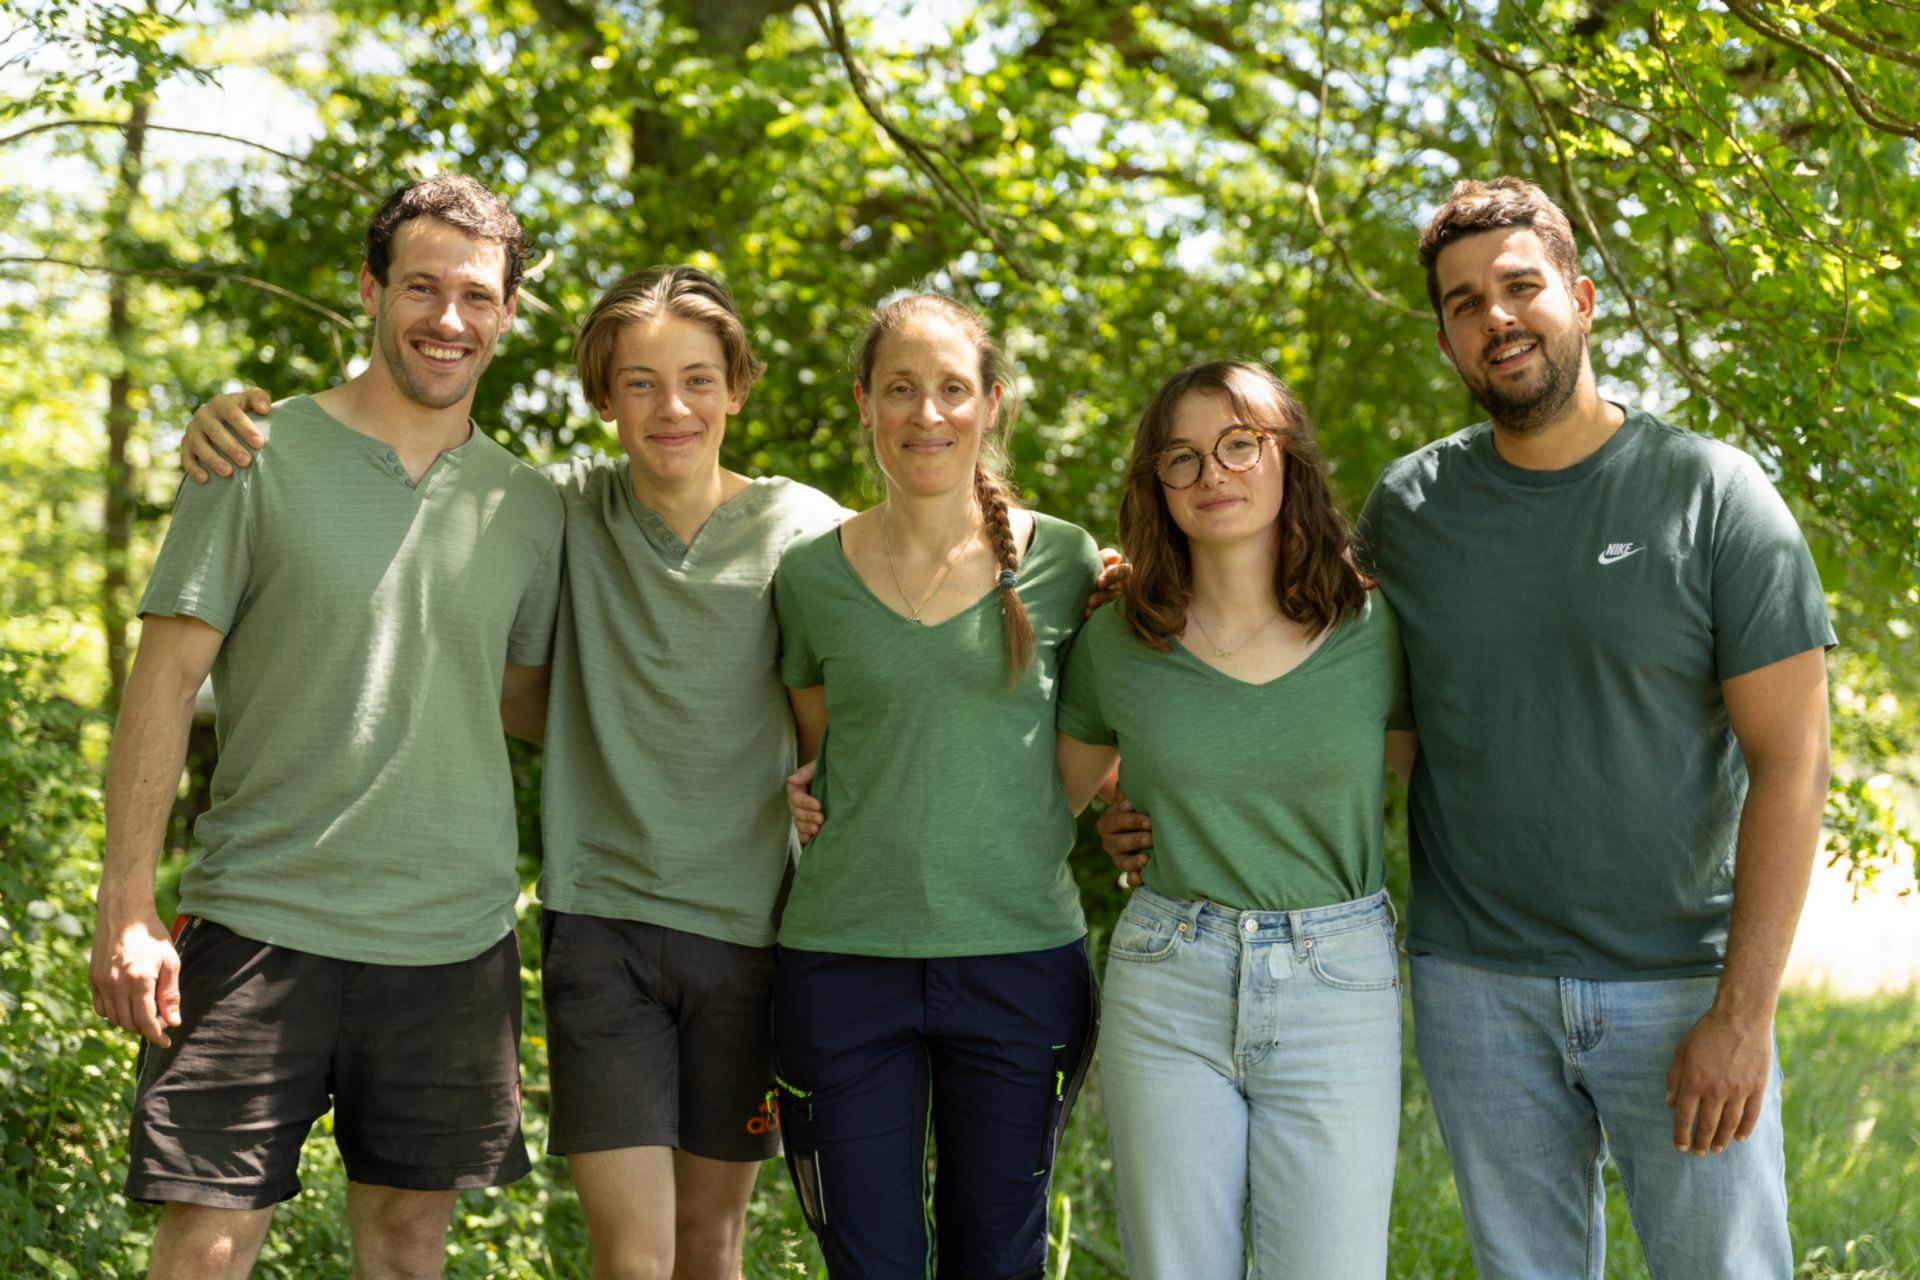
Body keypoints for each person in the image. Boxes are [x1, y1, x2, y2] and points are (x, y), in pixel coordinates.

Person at [1104, 177, 1834, 1279]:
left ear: (1582, 298)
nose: (1495, 317)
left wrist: (1743, 1010)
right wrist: (1139, 631)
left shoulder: (1713, 495)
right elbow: (1298, 677)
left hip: (1678, 984)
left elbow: (1794, 765)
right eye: (1461, 303)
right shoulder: (1413, 508)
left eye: (1520, 287)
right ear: (1445, 337)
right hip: (1476, 986)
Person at [177, 265, 848, 1280]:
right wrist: (222, 415)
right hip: (603, 920)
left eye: (699, 379)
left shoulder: (804, 528)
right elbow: (465, 600)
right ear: (602, 396)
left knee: (713, 1245)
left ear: (738, 386)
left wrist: (1047, 546)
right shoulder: (558, 508)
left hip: (753, 928)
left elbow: (917, 581)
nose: (672, 406)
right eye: (639, 382)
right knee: (635, 1256)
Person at [89, 174, 565, 1280]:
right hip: (261, 914)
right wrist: (127, 906)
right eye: (422, 287)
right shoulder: (255, 452)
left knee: (408, 1243)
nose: (448, 318)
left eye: (477, 295)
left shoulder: (529, 504)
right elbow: (162, 682)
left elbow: (524, 695)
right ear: (370, 289)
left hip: (451, 937)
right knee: (208, 1240)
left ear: (507, 312)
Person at [1053, 360, 1415, 1278]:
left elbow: (1452, 782)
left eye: (1239, 445)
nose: (1213, 473)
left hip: (1338, 980)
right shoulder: (1116, 637)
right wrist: (1120, 805)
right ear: (1158, 485)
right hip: (1168, 973)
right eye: (1182, 457)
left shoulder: (1374, 629)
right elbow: (1046, 790)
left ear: (1286, 457)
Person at [772, 292, 1106, 1278]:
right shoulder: (807, 575)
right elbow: (821, 742)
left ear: (991, 404)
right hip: (841, 960)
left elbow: (1091, 745)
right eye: (902, 389)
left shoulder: (1065, 560)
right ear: (865, 403)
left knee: (996, 1260)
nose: (928, 414)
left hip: (1020, 959)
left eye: (953, 389)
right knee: (869, 1261)